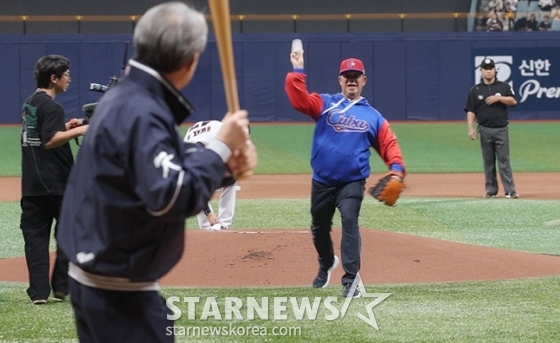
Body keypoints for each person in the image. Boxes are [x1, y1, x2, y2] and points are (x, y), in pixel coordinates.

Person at [57, 2, 256, 342]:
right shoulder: (142, 109)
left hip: (99, 283)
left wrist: (219, 162)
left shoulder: (126, 97)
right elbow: (171, 197)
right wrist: (221, 146)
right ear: (191, 60)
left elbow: (159, 161)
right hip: (119, 294)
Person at [285, 54, 405, 298]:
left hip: (352, 181)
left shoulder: (373, 116)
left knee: (349, 221)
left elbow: (388, 143)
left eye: (356, 77)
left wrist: (397, 169)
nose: (352, 80)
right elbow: (299, 100)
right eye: (347, 77)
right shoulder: (324, 103)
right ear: (340, 80)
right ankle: (327, 261)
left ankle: (351, 280)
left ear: (364, 80)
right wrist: (297, 70)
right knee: (319, 226)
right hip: (322, 181)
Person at [19, 54, 88, 305]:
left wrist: (71, 126)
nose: (69, 79)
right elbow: (49, 140)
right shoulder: (52, 106)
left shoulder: (31, 103)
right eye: (66, 75)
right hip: (57, 184)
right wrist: (82, 130)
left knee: (35, 239)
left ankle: (38, 293)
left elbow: (45, 132)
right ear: (54, 78)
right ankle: (61, 286)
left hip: (33, 185)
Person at [465, 58, 519, 199]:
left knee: (504, 161)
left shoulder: (504, 86)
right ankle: (491, 190)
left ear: (495, 70)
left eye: (490, 68)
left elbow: (513, 101)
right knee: (488, 162)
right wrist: (470, 128)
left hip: (501, 129)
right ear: (481, 71)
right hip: (484, 129)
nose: (488, 71)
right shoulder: (475, 90)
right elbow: (471, 110)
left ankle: (510, 191)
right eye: (485, 68)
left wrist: (499, 98)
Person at [184, 120, 239, 230]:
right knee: (198, 185)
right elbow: (197, 185)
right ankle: (209, 226)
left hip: (199, 149)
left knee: (231, 178)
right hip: (190, 167)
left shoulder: (218, 129)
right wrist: (208, 213)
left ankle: (222, 224)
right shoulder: (198, 150)